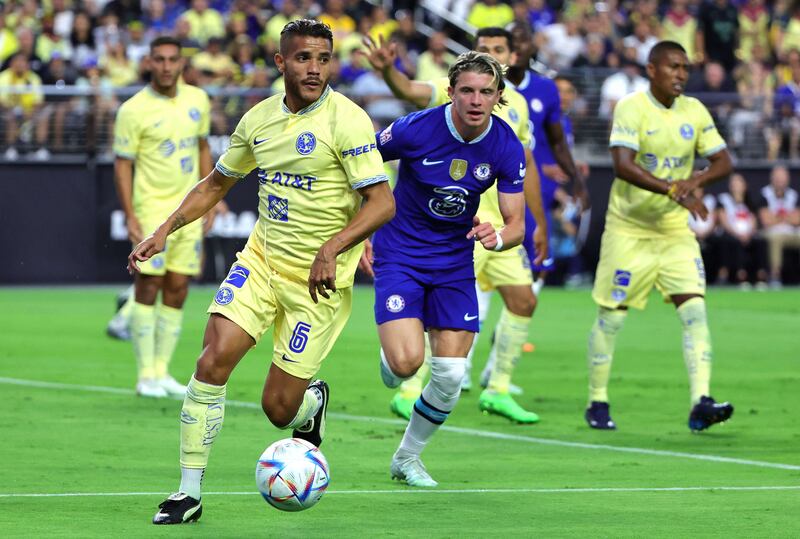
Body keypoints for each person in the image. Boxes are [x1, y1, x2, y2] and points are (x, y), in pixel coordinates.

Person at [129, 20, 394, 524]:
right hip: (260, 263)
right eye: (302, 58)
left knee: (278, 409)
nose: (313, 68)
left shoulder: (349, 120)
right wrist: (166, 229)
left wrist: (335, 247)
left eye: (322, 58)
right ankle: (188, 493)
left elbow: (382, 203)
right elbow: (215, 182)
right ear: (280, 63)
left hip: (317, 283)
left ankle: (308, 406)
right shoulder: (257, 121)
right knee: (211, 363)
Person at [361, 27, 547, 424]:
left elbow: (521, 200)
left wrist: (511, 232)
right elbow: (366, 156)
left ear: (500, 92)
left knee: (457, 366)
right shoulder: (423, 120)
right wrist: (360, 227)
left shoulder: (510, 133)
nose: (476, 99)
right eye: (467, 91)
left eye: (486, 91)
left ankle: (487, 395)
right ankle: (403, 373)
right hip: (407, 246)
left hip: (473, 240)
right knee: (407, 359)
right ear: (452, 90)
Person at [586, 41, 735, 432]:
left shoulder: (695, 110)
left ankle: (700, 402)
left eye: (685, 67)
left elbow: (724, 161)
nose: (681, 74)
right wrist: (674, 190)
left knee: (695, 311)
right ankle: (597, 401)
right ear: (651, 69)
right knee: (612, 317)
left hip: (672, 231)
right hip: (629, 228)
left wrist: (694, 180)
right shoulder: (632, 107)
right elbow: (622, 165)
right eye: (673, 67)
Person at [112, 36, 213, 398]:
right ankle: (145, 375)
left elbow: (203, 148)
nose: (167, 66)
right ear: (149, 63)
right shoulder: (133, 110)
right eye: (160, 59)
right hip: (152, 209)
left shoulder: (198, 99)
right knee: (148, 286)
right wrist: (130, 214)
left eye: (173, 59)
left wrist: (211, 201)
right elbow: (123, 166)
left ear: (182, 63)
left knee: (179, 288)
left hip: (188, 209)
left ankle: (163, 371)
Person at [758, 165, 800, 287]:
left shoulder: (794, 195)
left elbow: (797, 220)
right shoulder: (764, 194)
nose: (780, 181)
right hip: (771, 232)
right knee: (776, 238)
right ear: (772, 179)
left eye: (783, 178)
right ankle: (775, 275)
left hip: (791, 232)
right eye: (777, 178)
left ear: (787, 179)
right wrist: (787, 217)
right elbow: (766, 220)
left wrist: (777, 217)